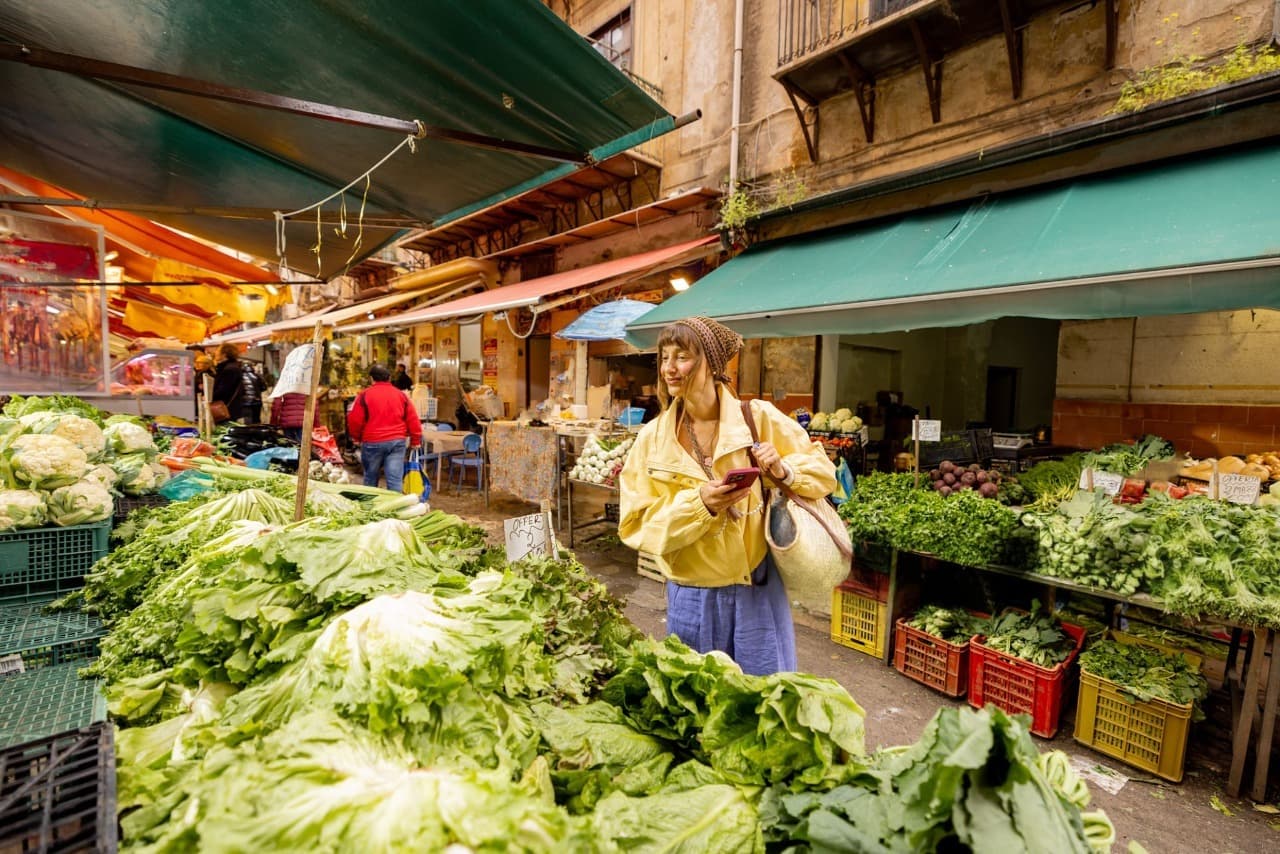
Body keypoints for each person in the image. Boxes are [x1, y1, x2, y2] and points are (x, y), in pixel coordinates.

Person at [617, 316, 837, 676]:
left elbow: (823, 473)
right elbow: (634, 524)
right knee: (699, 699)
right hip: (692, 596)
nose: (669, 368)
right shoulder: (652, 438)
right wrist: (699, 505)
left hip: (756, 591)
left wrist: (782, 470)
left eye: (682, 357)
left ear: (712, 364)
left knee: (763, 697)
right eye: (664, 357)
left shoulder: (757, 418)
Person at [347, 364, 423, 491]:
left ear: (371, 378)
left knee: (370, 479)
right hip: (396, 442)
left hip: (372, 442)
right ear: (389, 378)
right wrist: (415, 440)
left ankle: (371, 502)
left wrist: (356, 438)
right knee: (395, 480)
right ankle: (395, 503)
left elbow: (355, 419)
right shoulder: (401, 395)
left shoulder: (364, 395)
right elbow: (413, 419)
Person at [211, 343, 245, 421]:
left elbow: (223, 390)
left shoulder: (230, 369)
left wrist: (209, 396)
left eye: (218, 350)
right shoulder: (230, 367)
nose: (215, 352)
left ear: (224, 354)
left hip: (227, 409)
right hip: (229, 408)